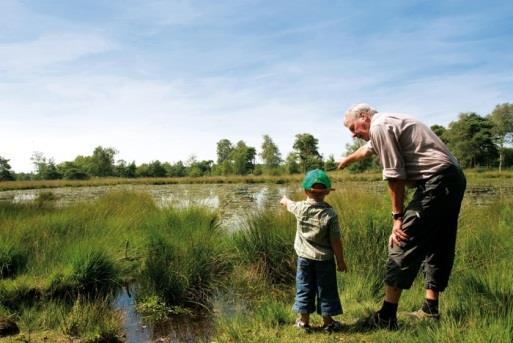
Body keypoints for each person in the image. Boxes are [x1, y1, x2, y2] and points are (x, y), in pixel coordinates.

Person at [338, 103, 466, 330]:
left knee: (402, 238)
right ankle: (430, 309)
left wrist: (397, 217)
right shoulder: (388, 122)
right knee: (438, 242)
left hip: (435, 182)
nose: (352, 133)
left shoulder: (379, 127)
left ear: (364, 117)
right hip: (452, 179)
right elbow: (367, 149)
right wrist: (348, 159)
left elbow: (395, 175)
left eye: (352, 127)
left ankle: (387, 316)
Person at [280, 169, 347, 333]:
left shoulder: (300, 208)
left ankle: (304, 322)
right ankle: (328, 323)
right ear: (326, 193)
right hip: (324, 261)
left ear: (305, 191)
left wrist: (284, 199)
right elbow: (335, 241)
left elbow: (288, 204)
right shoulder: (330, 214)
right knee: (326, 289)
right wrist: (340, 260)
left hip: (304, 259)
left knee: (304, 287)